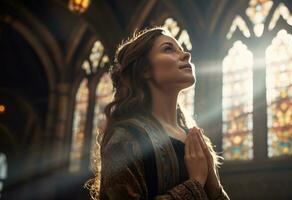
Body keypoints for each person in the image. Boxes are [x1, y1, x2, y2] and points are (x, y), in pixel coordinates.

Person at [86, 27, 230, 200]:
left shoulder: (194, 137)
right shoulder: (125, 138)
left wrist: (214, 185)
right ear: (144, 70)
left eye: (182, 49)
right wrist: (195, 184)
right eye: (168, 49)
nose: (186, 55)